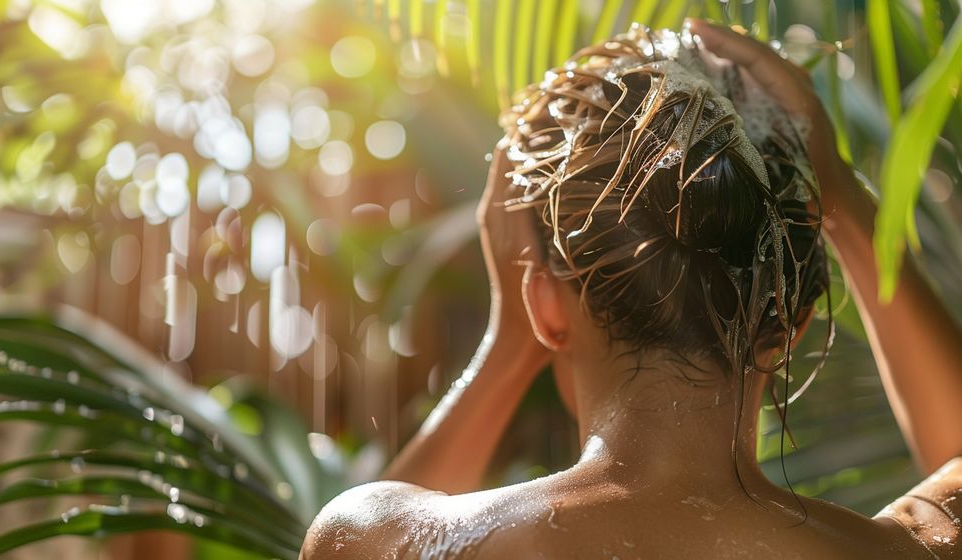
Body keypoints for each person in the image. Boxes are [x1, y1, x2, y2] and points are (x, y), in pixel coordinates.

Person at [300, 20, 962, 559]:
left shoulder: (382, 538)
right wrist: (840, 193)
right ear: (794, 322)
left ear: (542, 304)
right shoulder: (906, 552)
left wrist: (511, 341)